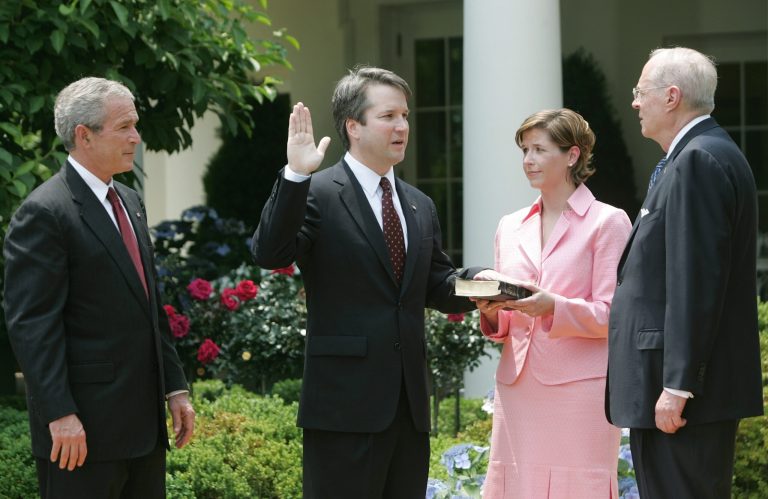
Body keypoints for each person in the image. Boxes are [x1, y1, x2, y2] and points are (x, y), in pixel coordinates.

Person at [251, 66, 483, 499]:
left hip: (409, 408)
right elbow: (270, 253)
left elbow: (436, 283)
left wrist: (482, 285)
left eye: (406, 116)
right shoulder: (317, 192)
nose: (402, 127)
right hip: (342, 410)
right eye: (389, 116)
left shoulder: (418, 204)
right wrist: (295, 175)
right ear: (353, 126)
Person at [3, 77, 195, 498]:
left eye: (136, 124)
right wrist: (60, 414)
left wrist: (175, 388)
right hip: (80, 435)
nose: (136, 137)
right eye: (125, 126)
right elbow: (33, 326)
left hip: (143, 431)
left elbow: (149, 305)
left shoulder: (131, 201)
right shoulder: (43, 212)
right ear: (83, 136)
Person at [606, 47, 764, 498]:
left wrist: (677, 386)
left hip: (682, 397)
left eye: (641, 92)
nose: (635, 102)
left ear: (671, 96)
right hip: (680, 392)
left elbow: (695, 282)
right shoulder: (698, 155)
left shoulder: (697, 160)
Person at [474, 109, 631, 498]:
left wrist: (553, 307)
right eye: (525, 150)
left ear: (573, 155)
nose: (528, 160)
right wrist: (491, 313)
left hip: (580, 393)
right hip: (518, 390)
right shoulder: (509, 226)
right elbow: (509, 322)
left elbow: (614, 316)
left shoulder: (608, 223)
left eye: (540, 150)